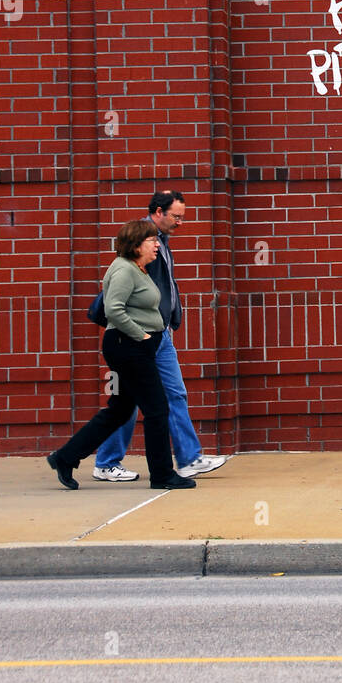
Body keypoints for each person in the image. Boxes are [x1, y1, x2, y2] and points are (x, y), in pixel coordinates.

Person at [48, 221, 196, 490]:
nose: (157, 245)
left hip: (135, 346)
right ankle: (163, 475)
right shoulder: (123, 270)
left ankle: (65, 457)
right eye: (152, 240)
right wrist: (142, 335)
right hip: (128, 346)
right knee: (157, 409)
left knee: (120, 410)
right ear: (137, 244)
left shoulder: (139, 268)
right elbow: (113, 309)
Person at [93, 191, 227, 481]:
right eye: (176, 216)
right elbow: (120, 296)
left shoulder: (160, 242)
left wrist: (168, 320)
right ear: (157, 211)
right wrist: (138, 332)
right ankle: (106, 462)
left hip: (159, 334)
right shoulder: (142, 242)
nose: (180, 223)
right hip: (139, 337)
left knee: (174, 393)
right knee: (127, 401)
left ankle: (189, 458)